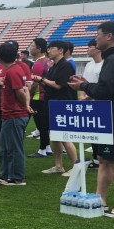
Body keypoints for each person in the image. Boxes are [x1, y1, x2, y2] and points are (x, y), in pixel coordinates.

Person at [69, 20, 114, 217]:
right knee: (104, 159)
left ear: (109, 36)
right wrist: (87, 84)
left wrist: (83, 87)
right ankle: (101, 199)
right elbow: (107, 87)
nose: (95, 38)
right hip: (110, 117)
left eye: (98, 34)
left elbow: (106, 90)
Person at [36, 40, 78, 175]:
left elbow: (59, 85)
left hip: (62, 103)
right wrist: (42, 81)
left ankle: (76, 166)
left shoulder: (65, 66)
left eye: (52, 48)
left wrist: (41, 79)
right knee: (55, 135)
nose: (49, 51)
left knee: (65, 136)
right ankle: (58, 165)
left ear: (61, 50)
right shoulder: (54, 66)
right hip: (52, 102)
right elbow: (49, 84)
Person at [0, 43, 33, 186]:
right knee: (4, 146)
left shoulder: (13, 71)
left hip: (15, 114)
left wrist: (25, 106)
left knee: (14, 147)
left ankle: (17, 177)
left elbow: (20, 91)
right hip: (8, 113)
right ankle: (5, 173)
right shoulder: (11, 70)